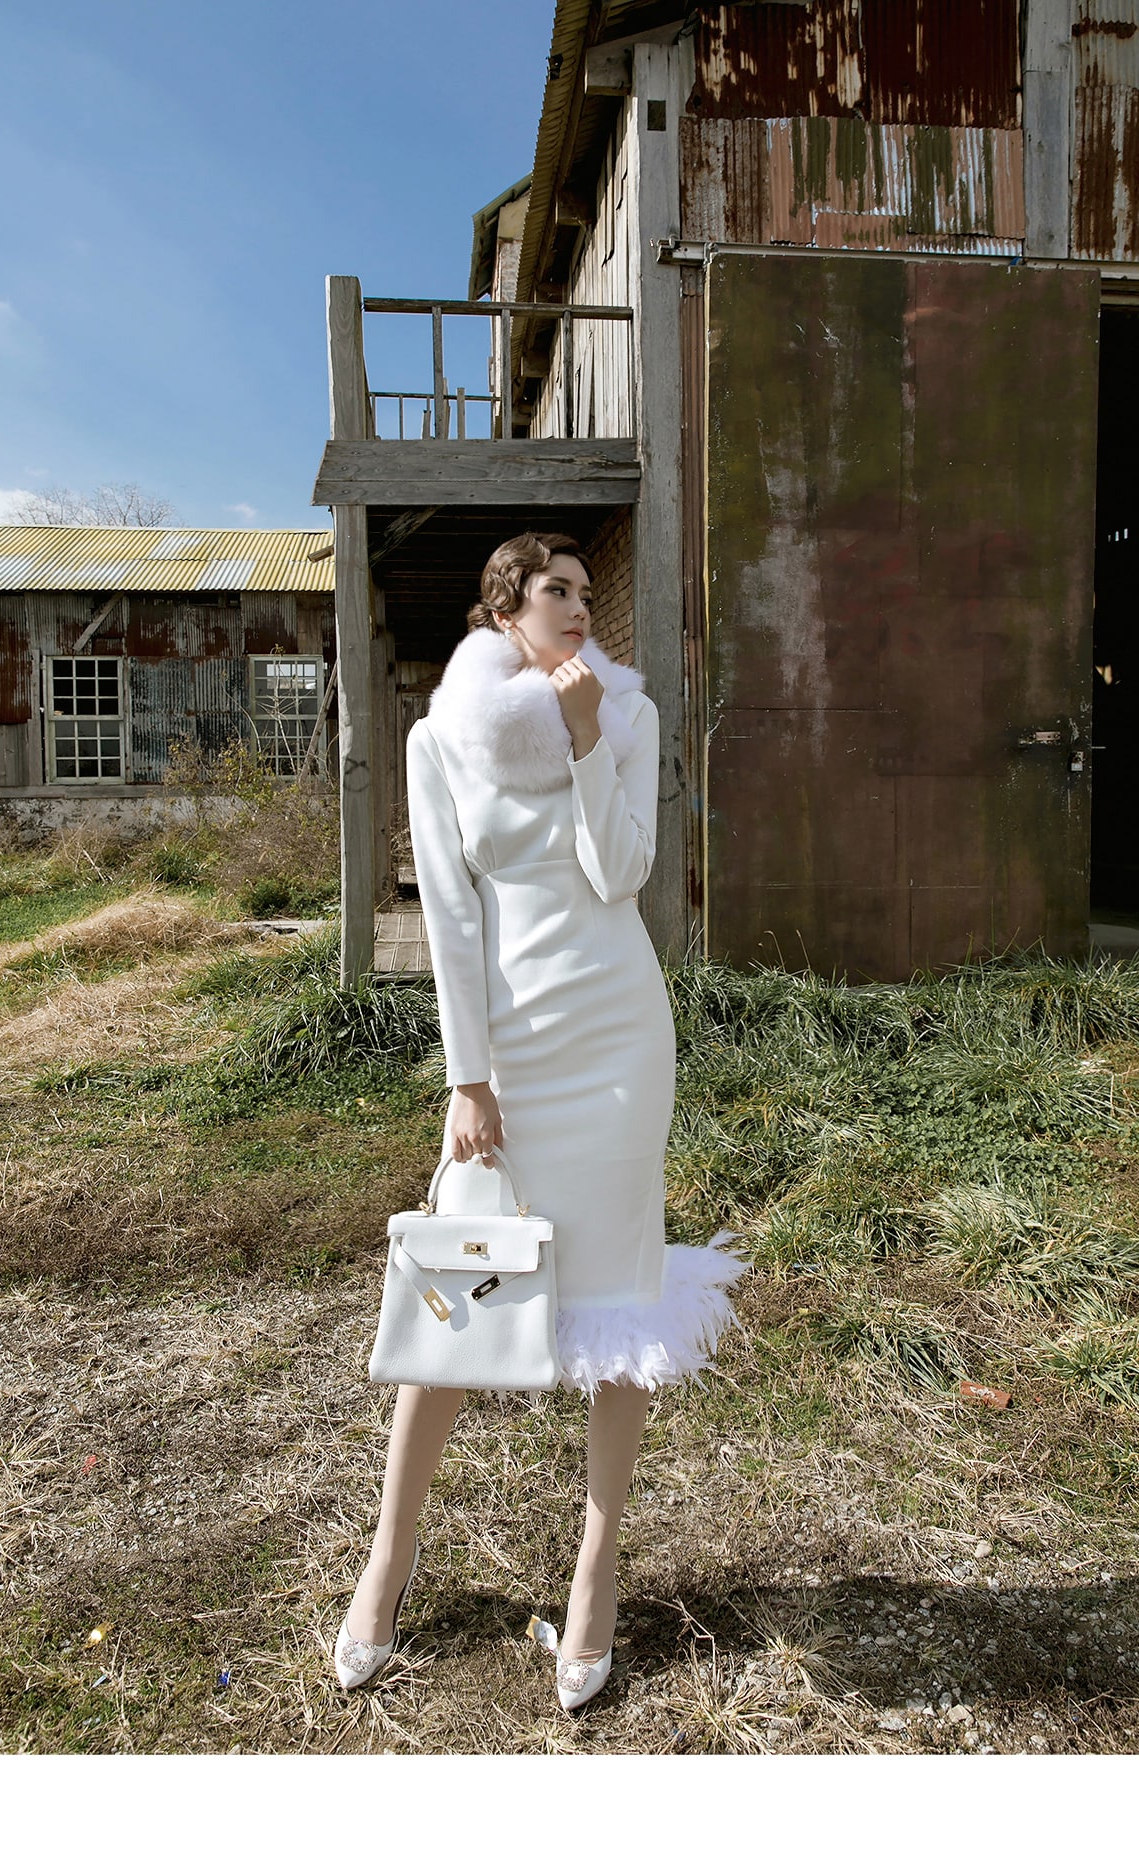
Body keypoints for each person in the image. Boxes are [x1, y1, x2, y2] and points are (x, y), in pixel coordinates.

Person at [334, 531, 749, 1711]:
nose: (576, 604)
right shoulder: (439, 739)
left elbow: (622, 874)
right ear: (503, 613)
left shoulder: (627, 716)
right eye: (551, 589)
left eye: (583, 588)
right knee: (456, 1296)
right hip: (509, 1056)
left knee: (620, 1299)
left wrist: (585, 742)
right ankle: (387, 1564)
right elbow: (450, 914)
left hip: (617, 1037)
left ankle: (594, 1576)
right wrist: (468, 1076)